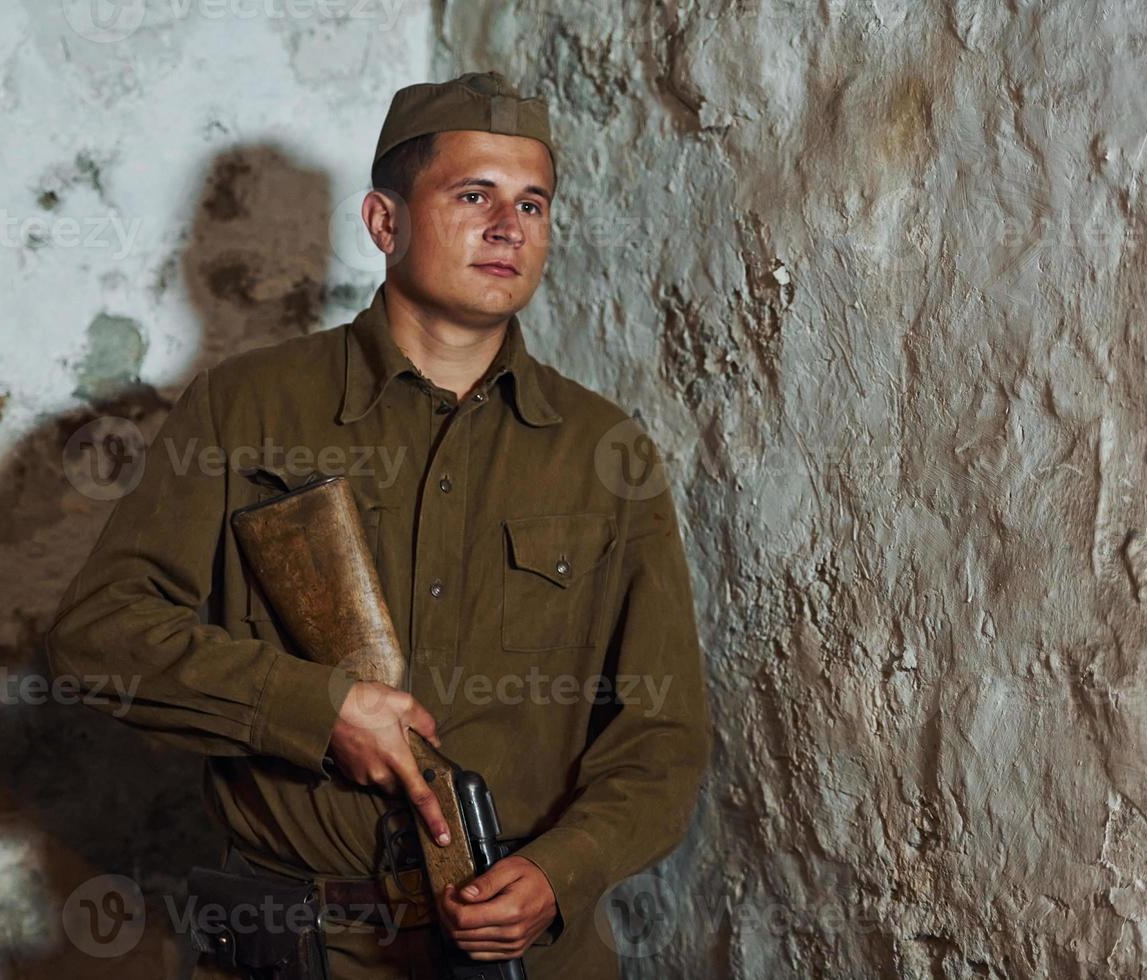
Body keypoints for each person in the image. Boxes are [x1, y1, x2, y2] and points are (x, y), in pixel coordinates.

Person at [45, 69, 712, 978]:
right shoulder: (248, 410)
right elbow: (97, 639)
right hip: (299, 949)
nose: (508, 226)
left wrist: (562, 874)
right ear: (384, 222)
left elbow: (663, 734)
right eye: (473, 195)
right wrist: (316, 712)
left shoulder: (605, 451)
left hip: (522, 959)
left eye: (533, 203)